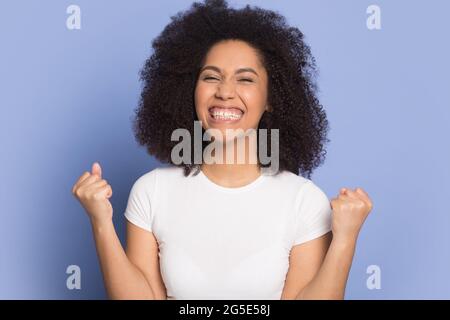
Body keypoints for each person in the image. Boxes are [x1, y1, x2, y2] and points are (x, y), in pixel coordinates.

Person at [72, 0, 373, 300]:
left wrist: (345, 239)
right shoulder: (152, 192)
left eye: (245, 79)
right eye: (211, 77)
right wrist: (101, 222)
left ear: (271, 98)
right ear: (190, 91)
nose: (225, 92)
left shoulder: (304, 201)